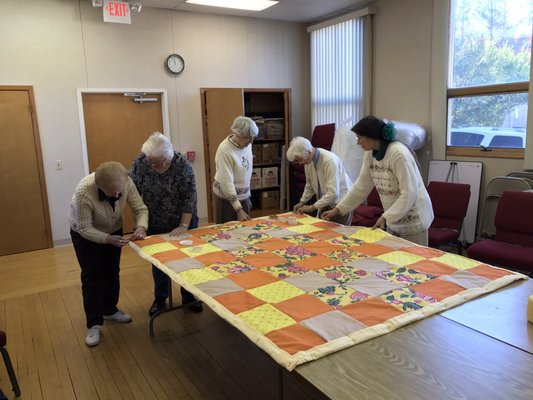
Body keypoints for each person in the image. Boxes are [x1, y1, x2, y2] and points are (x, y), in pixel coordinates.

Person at [69, 161, 148, 347]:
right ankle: (94, 323)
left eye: (120, 191)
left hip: (113, 229)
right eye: (113, 193)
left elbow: (140, 208)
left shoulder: (126, 182)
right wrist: (107, 238)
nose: (118, 195)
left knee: (112, 271)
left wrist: (141, 227)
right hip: (85, 234)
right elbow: (84, 228)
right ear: (100, 187)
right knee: (92, 275)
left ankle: (110, 309)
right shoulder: (84, 192)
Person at [322, 115, 433, 246]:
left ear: (372, 136)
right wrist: (338, 209)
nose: (358, 142)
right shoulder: (370, 155)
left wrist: (387, 217)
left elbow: (410, 193)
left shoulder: (398, 154)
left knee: (415, 261)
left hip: (414, 220)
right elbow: (360, 187)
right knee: (395, 261)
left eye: (360, 138)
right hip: (393, 217)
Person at [130, 132, 202, 316]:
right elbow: (133, 193)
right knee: (159, 261)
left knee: (187, 259)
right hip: (155, 218)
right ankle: (160, 298)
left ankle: (189, 296)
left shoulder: (182, 165)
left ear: (167, 158)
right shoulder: (141, 163)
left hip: (182, 219)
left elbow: (190, 198)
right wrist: (141, 222)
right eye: (150, 161)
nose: (152, 165)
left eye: (157, 162)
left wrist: (184, 225)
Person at [286, 136, 353, 225]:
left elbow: (333, 193)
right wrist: (302, 202)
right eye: (297, 161)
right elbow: (309, 185)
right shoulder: (308, 161)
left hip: (341, 203)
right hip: (326, 202)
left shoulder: (329, 161)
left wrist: (312, 207)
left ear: (309, 152)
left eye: (301, 160)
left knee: (339, 235)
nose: (300, 163)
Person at [213, 116, 259, 223]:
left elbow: (246, 172)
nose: (251, 142)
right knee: (226, 232)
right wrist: (238, 209)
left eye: (253, 138)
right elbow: (226, 183)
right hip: (226, 198)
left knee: (245, 231)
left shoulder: (247, 143)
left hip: (244, 196)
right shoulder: (225, 150)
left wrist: (248, 195)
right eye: (248, 138)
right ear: (238, 135)